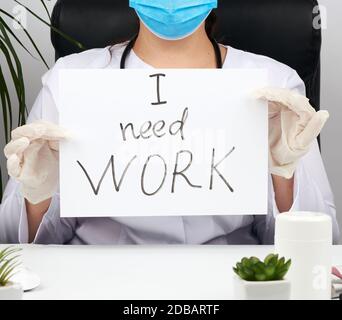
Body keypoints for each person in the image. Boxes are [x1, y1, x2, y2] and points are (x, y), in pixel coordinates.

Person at [0, 0, 339, 244]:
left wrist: (284, 175)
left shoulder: (274, 84)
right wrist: (37, 197)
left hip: (231, 282)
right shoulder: (70, 80)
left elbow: (322, 246)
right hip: (99, 282)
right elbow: (19, 252)